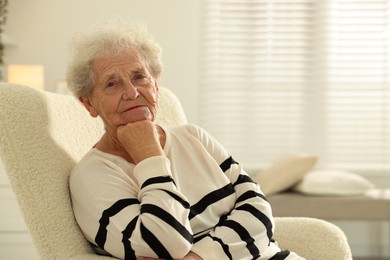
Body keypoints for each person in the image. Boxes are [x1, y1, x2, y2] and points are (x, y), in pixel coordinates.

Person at [67, 19, 303, 260]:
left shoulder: (193, 137)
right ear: (88, 103)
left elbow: (259, 211)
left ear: (156, 86)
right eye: (112, 84)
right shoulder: (91, 177)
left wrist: (199, 257)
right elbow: (166, 245)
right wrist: (150, 156)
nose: (132, 92)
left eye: (139, 77)